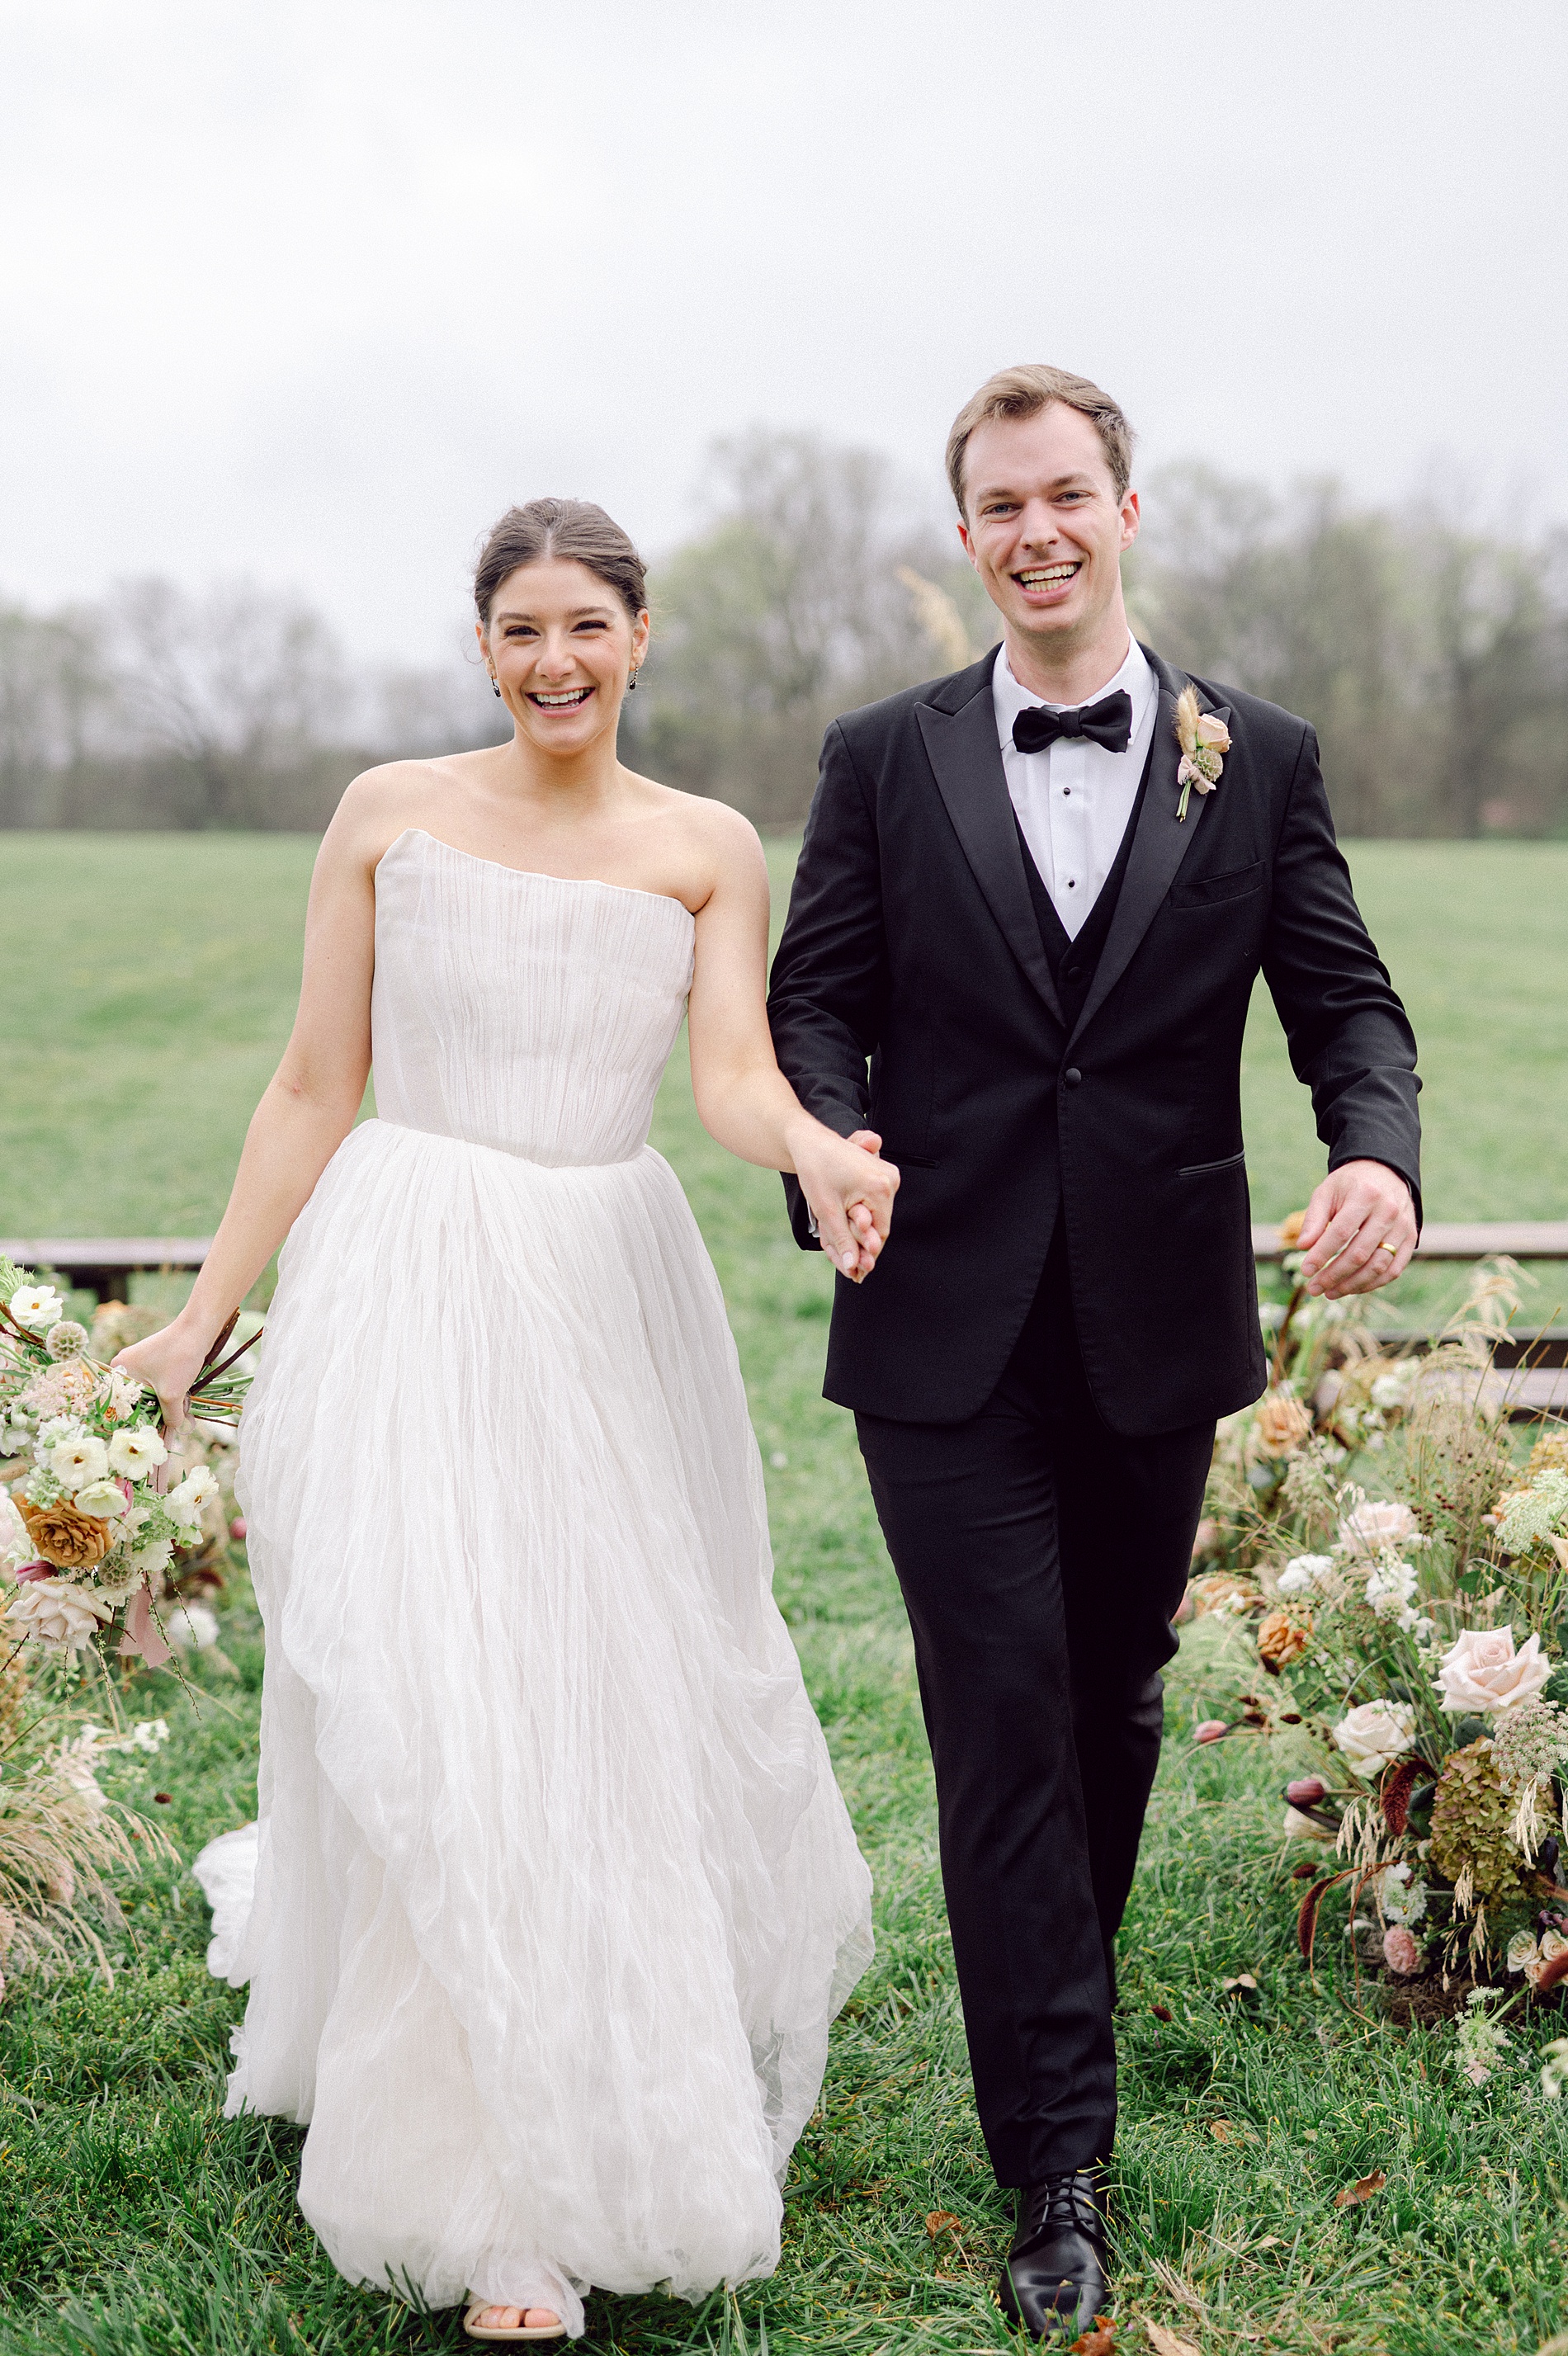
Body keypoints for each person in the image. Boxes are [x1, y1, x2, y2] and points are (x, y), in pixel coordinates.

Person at [117, 499, 890, 2343]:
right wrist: (206, 1315)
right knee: (424, 1685)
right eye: (522, 630)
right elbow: (315, 1079)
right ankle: (474, 2189)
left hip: (601, 1285)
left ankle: (577, 2126)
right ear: (486, 646)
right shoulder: (387, 811)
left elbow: (727, 1076)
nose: (556, 661)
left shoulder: (704, 845)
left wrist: (812, 1147)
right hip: (407, 1271)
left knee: (585, 1691)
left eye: (587, 629)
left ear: (639, 639)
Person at [766, 365, 1421, 2340]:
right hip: (938, 1318)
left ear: (1124, 507)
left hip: (1154, 1319)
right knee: (996, 1717)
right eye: (995, 503)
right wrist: (831, 1144)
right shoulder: (880, 756)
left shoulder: (1261, 755)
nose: (1033, 529)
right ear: (962, 533)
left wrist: (1373, 1153)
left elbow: (1344, 1000)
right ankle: (1055, 2155)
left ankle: (1046, 1979)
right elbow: (816, 1004)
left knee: (1108, 1699)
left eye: (1065, 493)